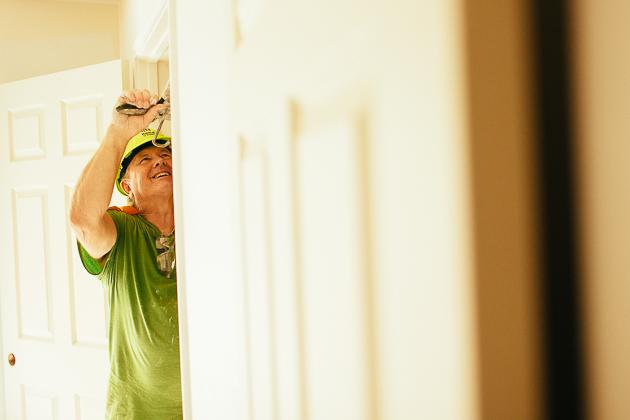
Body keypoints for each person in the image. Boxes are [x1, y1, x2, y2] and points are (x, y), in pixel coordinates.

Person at [69, 89, 182, 419]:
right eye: (144, 160)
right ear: (127, 186)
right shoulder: (123, 232)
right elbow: (84, 222)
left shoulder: (202, 229)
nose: (159, 160)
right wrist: (119, 134)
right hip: (136, 413)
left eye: (165, 156)